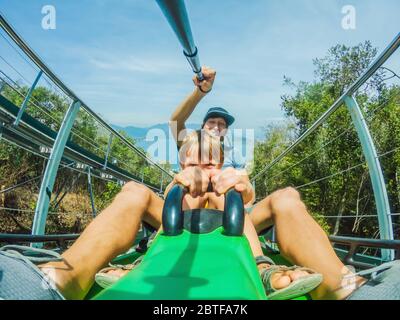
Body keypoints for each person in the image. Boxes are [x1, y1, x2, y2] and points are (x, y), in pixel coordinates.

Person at [169, 66, 244, 169]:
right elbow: (175, 122)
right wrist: (201, 91)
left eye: (222, 124)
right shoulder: (190, 144)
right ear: (202, 126)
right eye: (212, 122)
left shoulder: (234, 153)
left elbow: (243, 181)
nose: (216, 127)